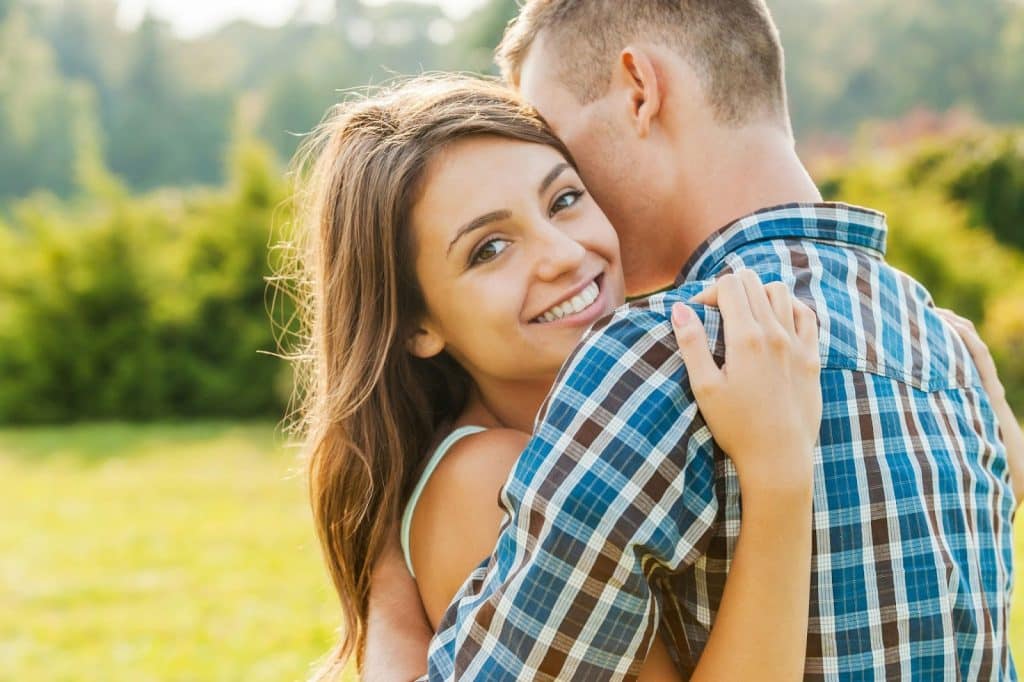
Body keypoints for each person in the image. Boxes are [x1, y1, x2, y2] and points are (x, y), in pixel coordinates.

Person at [365, 1, 1019, 680]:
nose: (565, 243)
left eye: (562, 160)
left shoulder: (652, 358)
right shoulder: (940, 347)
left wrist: (386, 599)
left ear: (640, 91)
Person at [289, 75, 825, 682]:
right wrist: (779, 471)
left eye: (564, 200)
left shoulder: (587, 426)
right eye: (489, 249)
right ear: (417, 324)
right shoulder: (490, 475)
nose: (564, 254)